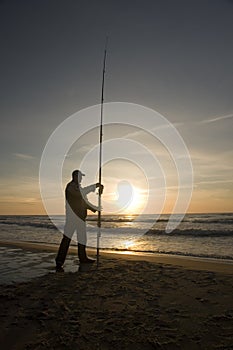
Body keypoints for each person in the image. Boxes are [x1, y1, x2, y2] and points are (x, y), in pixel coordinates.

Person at [55, 169, 103, 272]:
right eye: (80, 176)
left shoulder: (78, 187)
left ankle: (83, 258)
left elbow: (84, 202)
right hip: (72, 219)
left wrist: (95, 208)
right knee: (66, 240)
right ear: (75, 177)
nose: (81, 178)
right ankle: (59, 261)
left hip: (81, 218)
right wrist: (94, 186)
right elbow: (81, 194)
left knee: (82, 239)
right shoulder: (71, 187)